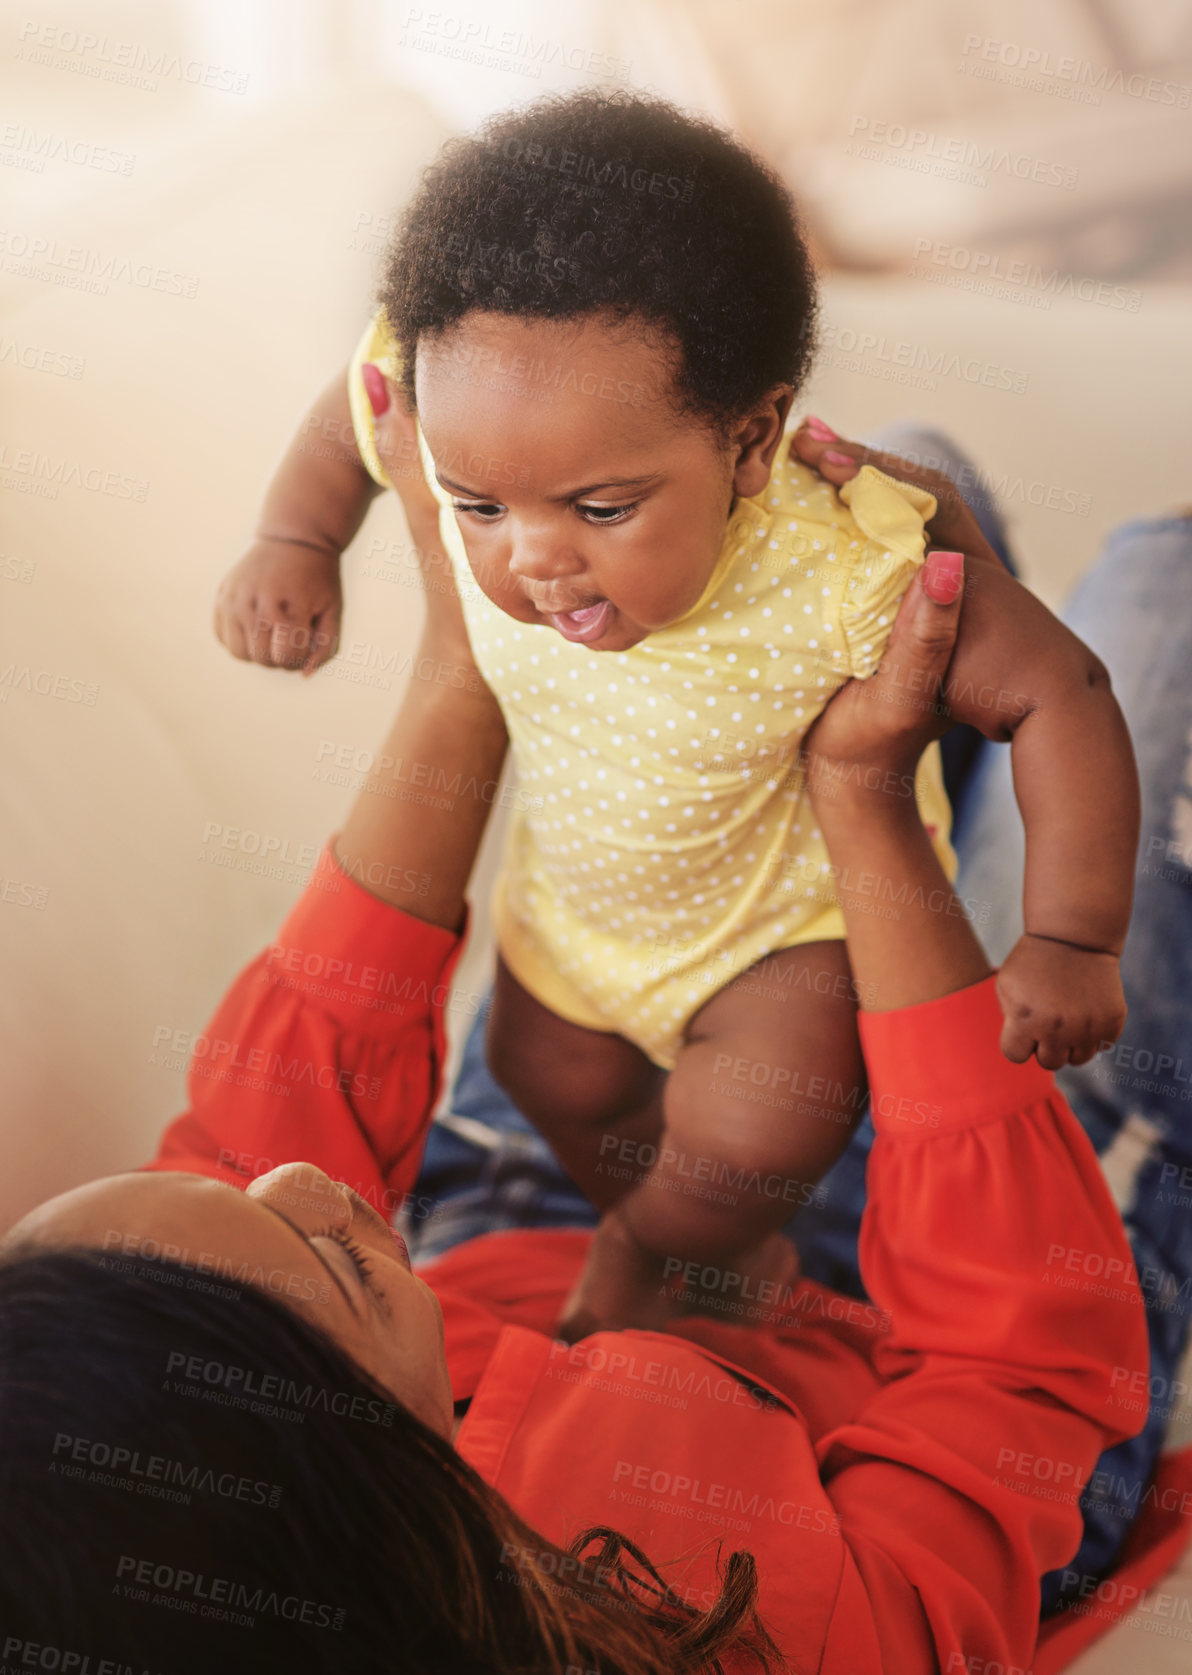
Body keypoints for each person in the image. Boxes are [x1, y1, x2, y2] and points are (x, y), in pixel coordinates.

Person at [0, 411, 1150, 1671]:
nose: (311, 1180)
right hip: (918, 1334)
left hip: (561, 1186)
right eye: (318, 1252)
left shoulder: (196, 1391)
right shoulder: (788, 1630)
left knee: (869, 510)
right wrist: (864, 807)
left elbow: (275, 1107)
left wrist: (465, 658)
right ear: (377, 1500)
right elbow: (1015, 1360)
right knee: (1157, 596)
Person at [211, 90, 1137, 1340]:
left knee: (745, 1145)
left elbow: (1056, 690)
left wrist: (1071, 938)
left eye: (601, 508)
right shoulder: (451, 402)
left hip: (786, 931)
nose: (535, 563)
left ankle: (686, 1236)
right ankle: (677, 1228)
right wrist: (298, 535)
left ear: (753, 440)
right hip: (581, 916)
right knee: (550, 1076)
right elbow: (362, 404)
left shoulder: (836, 564)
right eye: (478, 505)